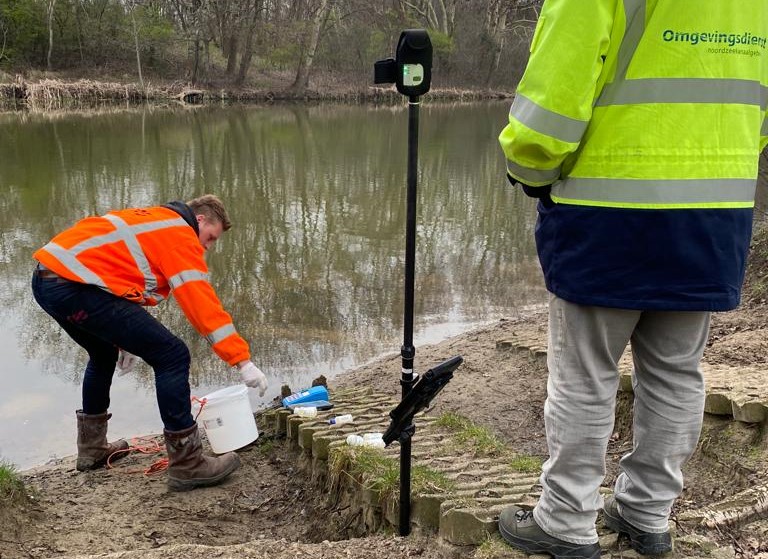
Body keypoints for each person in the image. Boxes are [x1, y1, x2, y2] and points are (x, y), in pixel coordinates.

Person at [497, 1, 767, 557]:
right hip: (715, 206)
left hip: (608, 207)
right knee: (675, 370)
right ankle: (647, 514)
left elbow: (552, 98)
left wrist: (530, 169)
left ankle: (566, 521)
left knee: (585, 371)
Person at [32, 194, 269, 491]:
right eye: (210, 237)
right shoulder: (180, 235)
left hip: (46, 280)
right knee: (172, 355)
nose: (207, 247)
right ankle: (188, 463)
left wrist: (122, 342)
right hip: (73, 287)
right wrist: (241, 360)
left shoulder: (153, 220)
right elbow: (201, 304)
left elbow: (114, 271)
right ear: (199, 220)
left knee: (103, 352)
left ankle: (92, 449)